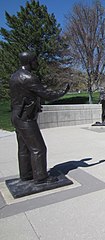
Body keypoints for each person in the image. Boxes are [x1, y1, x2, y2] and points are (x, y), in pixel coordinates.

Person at [10, 51, 70, 184]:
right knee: (39, 148)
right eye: (35, 60)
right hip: (26, 118)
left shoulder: (14, 76)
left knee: (24, 148)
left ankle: (26, 175)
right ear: (30, 61)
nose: (37, 63)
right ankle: (41, 177)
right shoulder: (29, 77)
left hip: (16, 116)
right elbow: (47, 95)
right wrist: (63, 92)